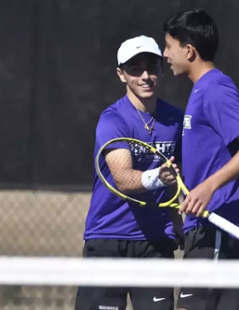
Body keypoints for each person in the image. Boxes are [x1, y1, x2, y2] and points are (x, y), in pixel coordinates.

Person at [162, 8, 239, 310]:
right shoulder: (200, 92)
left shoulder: (215, 90)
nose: (165, 53)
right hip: (203, 229)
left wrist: (208, 187)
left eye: (169, 46)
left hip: (218, 229)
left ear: (190, 50)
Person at [75, 35, 184, 310]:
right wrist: (158, 177)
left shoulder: (175, 120)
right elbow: (123, 179)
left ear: (161, 69)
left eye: (151, 67)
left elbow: (174, 178)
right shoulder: (113, 120)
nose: (145, 76)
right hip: (108, 240)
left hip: (155, 244)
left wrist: (177, 222)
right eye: (135, 69)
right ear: (121, 74)